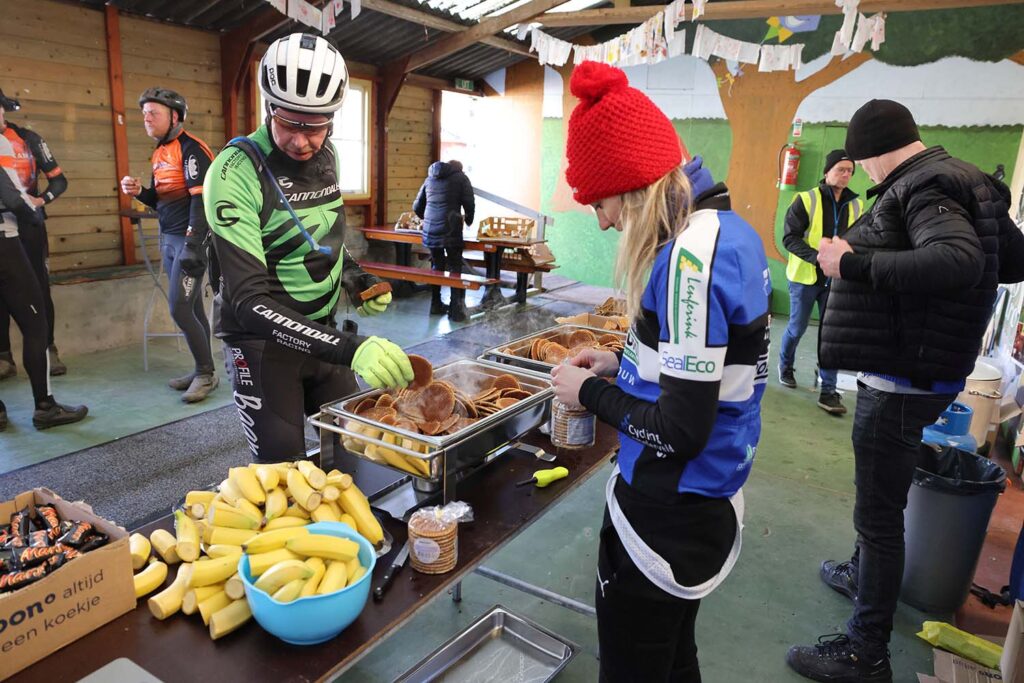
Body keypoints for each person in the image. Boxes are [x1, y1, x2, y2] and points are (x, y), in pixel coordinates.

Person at [787, 99, 1024, 683]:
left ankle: (866, 651)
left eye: (860, 161)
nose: (862, 173)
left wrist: (853, 261)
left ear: (870, 152)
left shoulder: (922, 184)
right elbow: (1012, 261)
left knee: (878, 512)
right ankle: (862, 575)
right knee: (883, 502)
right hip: (933, 368)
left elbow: (955, 260)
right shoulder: (970, 180)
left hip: (901, 377)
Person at [550, 61, 770, 683]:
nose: (599, 220)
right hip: (711, 494)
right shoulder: (729, 229)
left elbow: (679, 430)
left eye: (600, 201)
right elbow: (706, 370)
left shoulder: (686, 265)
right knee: (674, 657)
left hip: (668, 510)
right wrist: (624, 364)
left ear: (633, 186)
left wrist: (590, 392)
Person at [204, 32, 412, 462]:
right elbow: (247, 301)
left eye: (314, 126)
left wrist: (356, 276)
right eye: (288, 123)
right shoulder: (234, 171)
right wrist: (354, 349)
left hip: (322, 332)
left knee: (353, 457)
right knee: (286, 477)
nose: (301, 141)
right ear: (267, 108)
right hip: (262, 347)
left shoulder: (327, 154)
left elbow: (324, 238)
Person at [119, 87, 218, 403]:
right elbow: (161, 201)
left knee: (178, 307)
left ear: (175, 116)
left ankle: (205, 374)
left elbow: (202, 201)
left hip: (191, 241)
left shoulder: (192, 150)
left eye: (154, 113)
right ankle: (205, 369)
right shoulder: (161, 151)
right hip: (170, 239)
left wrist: (192, 244)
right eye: (144, 113)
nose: (146, 118)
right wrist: (139, 192)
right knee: (192, 307)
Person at [0, 162, 87, 430]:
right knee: (37, 324)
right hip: (5, 243)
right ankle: (45, 407)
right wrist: (35, 216)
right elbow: (14, 200)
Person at [779, 149, 865, 415]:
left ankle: (828, 390)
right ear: (827, 171)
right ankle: (785, 366)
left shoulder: (857, 205)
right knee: (797, 328)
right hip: (805, 278)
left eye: (850, 170)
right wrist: (819, 258)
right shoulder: (805, 200)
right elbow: (790, 238)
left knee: (832, 334)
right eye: (841, 169)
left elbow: (858, 240)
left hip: (836, 281)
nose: (846, 174)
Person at [0, 88, 69, 379]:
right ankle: (4, 356)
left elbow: (59, 180)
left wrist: (41, 201)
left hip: (29, 224)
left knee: (39, 286)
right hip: (4, 226)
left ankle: (48, 349)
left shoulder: (28, 139)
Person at [412, 159, 475, 322]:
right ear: (459, 169)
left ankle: (435, 304)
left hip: (430, 230)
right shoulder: (461, 178)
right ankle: (455, 309)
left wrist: (427, 219)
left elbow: (417, 206)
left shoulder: (430, 178)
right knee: (455, 266)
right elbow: (469, 202)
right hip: (451, 229)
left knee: (436, 265)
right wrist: (468, 220)